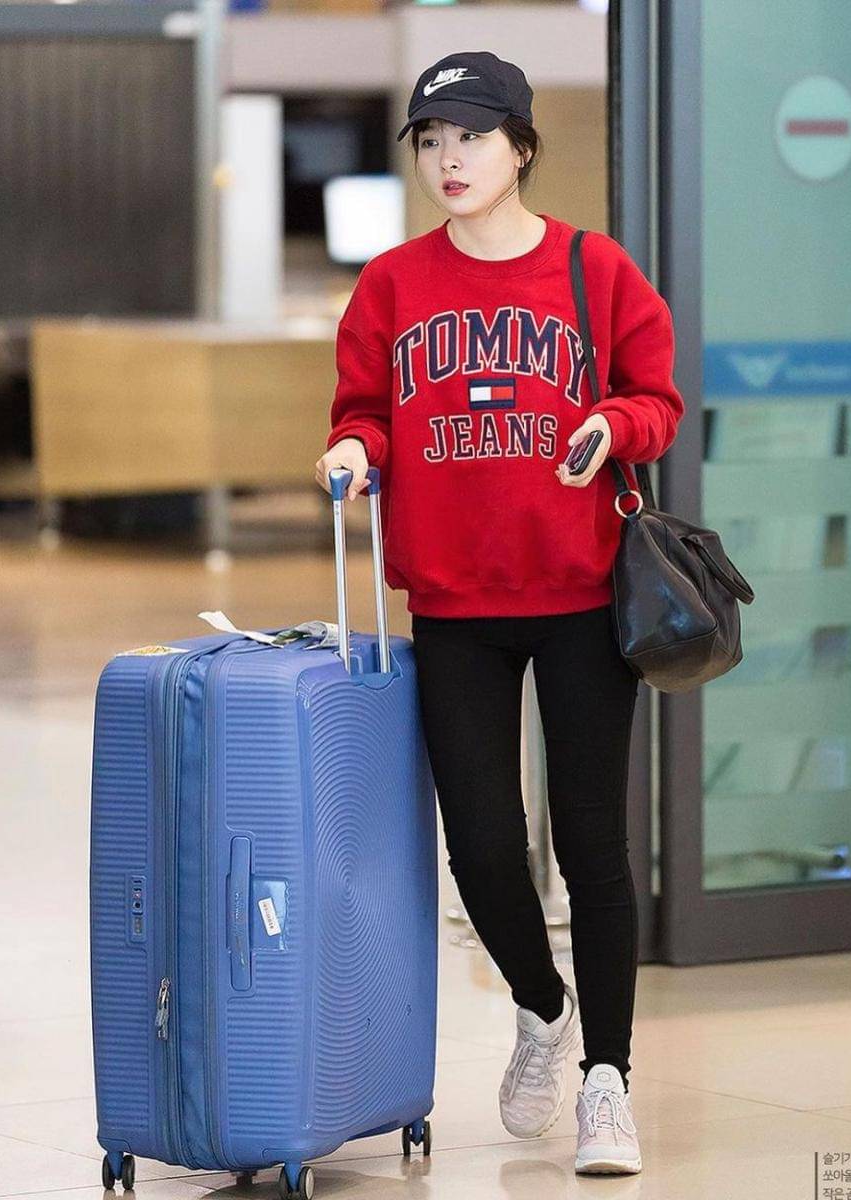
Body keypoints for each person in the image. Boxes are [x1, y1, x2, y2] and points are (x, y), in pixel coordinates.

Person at [314, 50, 684, 1176]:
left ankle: (607, 1082)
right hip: (456, 598)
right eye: (431, 140)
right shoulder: (393, 285)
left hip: (581, 595)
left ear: (521, 146)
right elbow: (366, 410)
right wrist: (353, 450)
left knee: (592, 844)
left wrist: (614, 427)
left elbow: (658, 399)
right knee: (479, 845)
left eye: (472, 137)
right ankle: (543, 1006)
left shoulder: (593, 267)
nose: (449, 158)